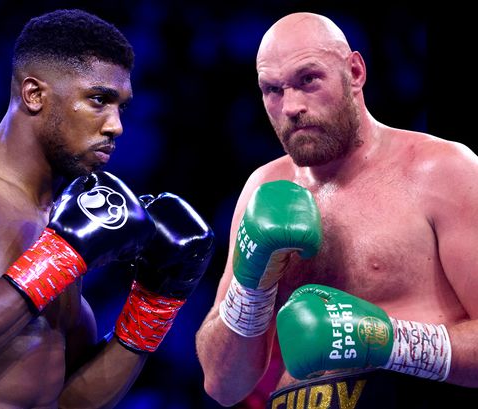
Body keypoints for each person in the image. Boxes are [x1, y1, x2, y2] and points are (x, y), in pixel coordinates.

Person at [0, 9, 215, 409]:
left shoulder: (61, 214)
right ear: (34, 94)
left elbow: (66, 400)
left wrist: (153, 303)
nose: (116, 126)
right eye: (99, 100)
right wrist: (56, 259)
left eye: (121, 107)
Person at [195, 11, 478, 409]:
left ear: (355, 72)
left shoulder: (442, 170)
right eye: (272, 90)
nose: (291, 106)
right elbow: (223, 385)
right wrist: (251, 288)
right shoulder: (264, 188)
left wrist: (387, 342)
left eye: (308, 80)